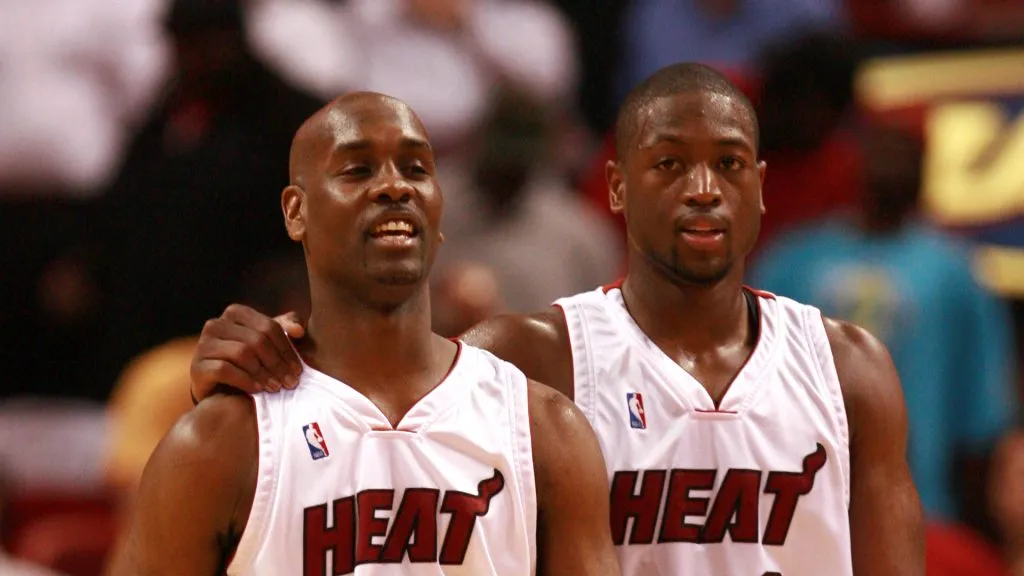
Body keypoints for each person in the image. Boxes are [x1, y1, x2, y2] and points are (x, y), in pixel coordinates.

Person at [189, 64, 925, 575]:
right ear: (614, 186)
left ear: (762, 188)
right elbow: (375, 405)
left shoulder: (848, 368)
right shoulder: (534, 358)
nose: (703, 190)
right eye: (670, 164)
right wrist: (257, 364)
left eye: (729, 165)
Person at [109, 93, 618, 575]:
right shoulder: (219, 442)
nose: (395, 186)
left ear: (439, 212)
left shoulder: (546, 430)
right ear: (295, 211)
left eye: (416, 169)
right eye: (358, 170)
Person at [750, 124, 1018, 521]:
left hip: (920, 505)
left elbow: (982, 419)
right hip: (794, 499)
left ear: (925, 170)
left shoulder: (955, 273)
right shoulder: (791, 260)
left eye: (903, 154)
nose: (890, 166)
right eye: (880, 152)